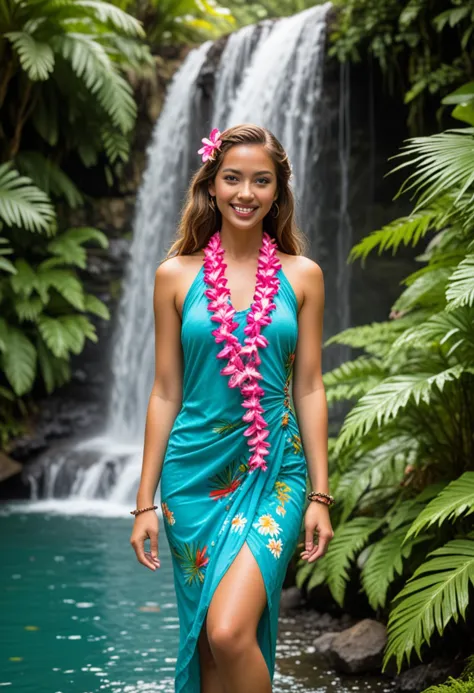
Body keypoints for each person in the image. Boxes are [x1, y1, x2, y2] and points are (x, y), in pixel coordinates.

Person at [130, 123, 334, 693]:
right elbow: (165, 390)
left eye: (261, 181)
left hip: (276, 473)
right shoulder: (175, 275)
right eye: (233, 178)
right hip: (191, 477)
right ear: (212, 187)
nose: (247, 192)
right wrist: (144, 502)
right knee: (208, 645)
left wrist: (320, 492)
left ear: (278, 192)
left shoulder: (304, 276)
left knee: (228, 630)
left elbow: (311, 386)